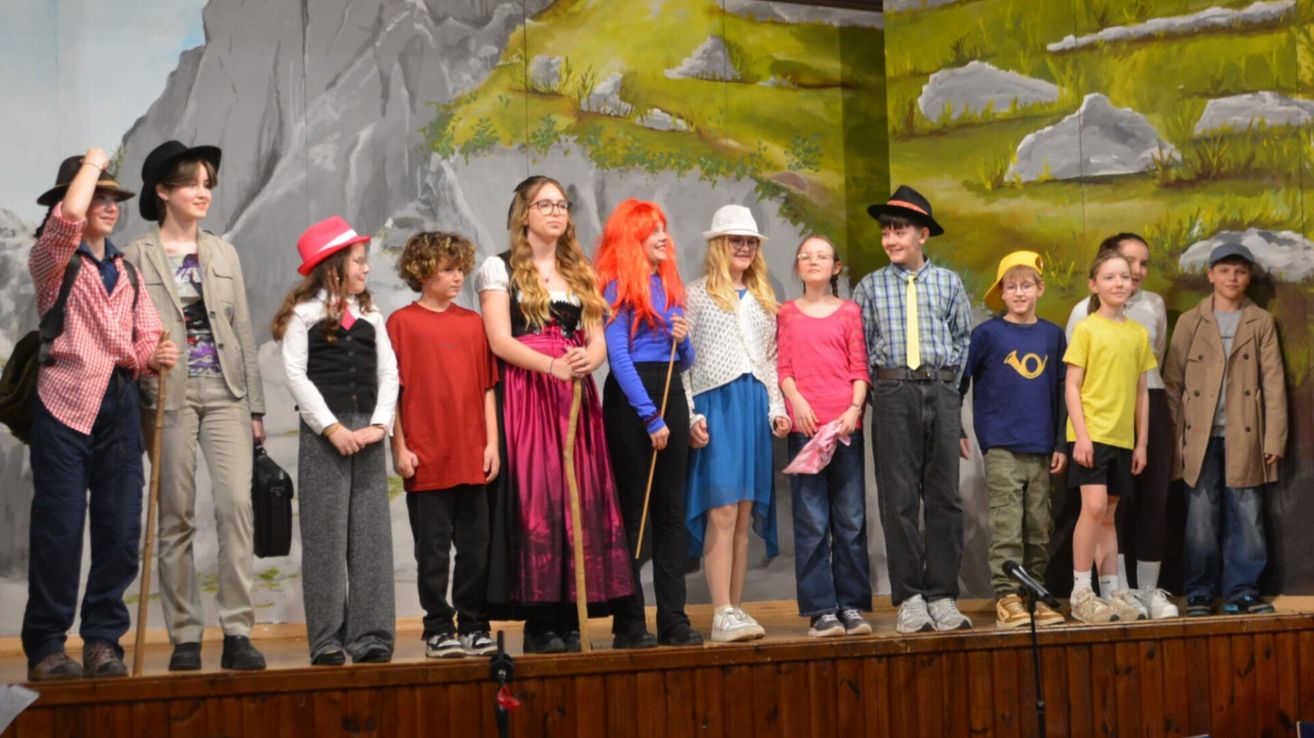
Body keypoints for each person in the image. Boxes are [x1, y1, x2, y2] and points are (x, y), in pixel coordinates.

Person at [22, 149, 177, 681]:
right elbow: (67, 222)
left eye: (114, 198)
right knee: (59, 530)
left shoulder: (127, 272)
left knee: (118, 530)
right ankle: (46, 645)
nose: (109, 205)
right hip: (64, 401)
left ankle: (102, 641)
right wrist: (91, 164)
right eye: (99, 197)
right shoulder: (53, 261)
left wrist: (154, 355)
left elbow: (147, 339)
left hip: (119, 407)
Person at [123, 141, 267, 671]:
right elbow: (126, 331)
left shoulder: (223, 251)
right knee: (175, 517)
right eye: (191, 183)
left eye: (208, 183)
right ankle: (185, 635)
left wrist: (256, 408)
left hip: (226, 392)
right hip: (167, 397)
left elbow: (244, 332)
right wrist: (145, 357)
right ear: (163, 192)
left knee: (235, 508)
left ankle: (237, 631)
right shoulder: (136, 255)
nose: (203, 192)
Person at [475, 176, 633, 654]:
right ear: (524, 212)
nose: (555, 213)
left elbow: (596, 334)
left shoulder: (578, 270)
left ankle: (569, 611)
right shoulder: (498, 268)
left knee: (576, 497)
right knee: (538, 496)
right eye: (545, 204)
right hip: (528, 396)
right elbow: (499, 340)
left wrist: (594, 356)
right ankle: (539, 620)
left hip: (575, 399)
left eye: (561, 205)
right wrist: (551, 365)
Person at [272, 215, 398, 665]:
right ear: (334, 268)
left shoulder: (370, 316)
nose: (366, 270)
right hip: (326, 436)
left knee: (370, 537)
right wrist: (331, 428)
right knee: (325, 537)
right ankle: (326, 637)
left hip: (366, 431)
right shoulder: (303, 317)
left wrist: (379, 425)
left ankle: (372, 634)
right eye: (359, 262)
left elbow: (388, 373)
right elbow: (295, 376)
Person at [852, 186, 972, 633]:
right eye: (885, 231)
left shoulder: (948, 283)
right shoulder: (870, 286)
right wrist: (877, 394)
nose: (890, 239)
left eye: (899, 230)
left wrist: (950, 390)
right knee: (898, 497)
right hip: (893, 391)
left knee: (944, 496)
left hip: (939, 390)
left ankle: (942, 594)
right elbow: (860, 348)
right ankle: (911, 597)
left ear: (923, 234)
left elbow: (963, 339)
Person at [595, 199, 703, 648]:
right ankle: (630, 621)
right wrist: (649, 416)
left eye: (664, 228)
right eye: (652, 230)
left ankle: (674, 618)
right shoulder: (616, 287)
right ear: (631, 238)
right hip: (634, 400)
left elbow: (686, 361)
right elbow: (618, 356)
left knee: (670, 513)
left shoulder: (669, 285)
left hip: (670, 392)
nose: (663, 236)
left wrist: (685, 339)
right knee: (632, 513)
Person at [387, 231, 499, 658]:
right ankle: (437, 627)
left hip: (471, 453)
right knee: (431, 551)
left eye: (460, 270)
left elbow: (488, 387)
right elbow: (392, 393)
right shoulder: (401, 323)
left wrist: (493, 444)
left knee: (476, 548)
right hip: (427, 458)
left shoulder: (473, 324)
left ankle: (474, 623)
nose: (457, 278)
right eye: (448, 269)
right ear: (422, 271)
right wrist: (399, 448)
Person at [684, 205, 789, 642]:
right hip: (717, 404)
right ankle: (721, 608)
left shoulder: (765, 299)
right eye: (735, 240)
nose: (744, 248)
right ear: (718, 245)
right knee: (722, 509)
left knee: (745, 512)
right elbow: (683, 362)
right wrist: (690, 413)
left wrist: (776, 406)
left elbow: (770, 359)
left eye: (749, 242)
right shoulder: (696, 295)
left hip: (752, 405)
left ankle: (737, 607)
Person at [1163, 243, 1286, 617]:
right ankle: (1199, 591)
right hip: (1198, 437)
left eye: (1240, 271)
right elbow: (1172, 384)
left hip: (1245, 434)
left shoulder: (1260, 321)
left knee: (1247, 516)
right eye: (1225, 270)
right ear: (1210, 274)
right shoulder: (1190, 321)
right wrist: (1173, 442)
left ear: (1248, 277)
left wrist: (1274, 438)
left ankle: (1243, 590)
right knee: (1200, 516)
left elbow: (1274, 383)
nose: (1232, 278)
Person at [1065, 233, 1177, 619]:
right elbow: (1072, 385)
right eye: (1110, 277)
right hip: (1090, 434)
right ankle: (1081, 592)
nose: (1120, 283)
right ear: (1094, 284)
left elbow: (1142, 391)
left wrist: (1142, 443)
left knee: (1110, 513)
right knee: (1093, 507)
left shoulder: (1136, 332)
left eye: (1125, 277)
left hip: (1123, 437)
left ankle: (1114, 592)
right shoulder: (1086, 327)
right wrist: (1080, 435)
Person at [961, 251, 1067, 628]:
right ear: (1001, 293)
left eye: (1027, 285)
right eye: (1011, 286)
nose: (1019, 293)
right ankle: (1007, 596)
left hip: (1041, 447)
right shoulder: (987, 335)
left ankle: (1034, 594)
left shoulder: (1053, 336)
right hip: (1002, 445)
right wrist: (959, 429)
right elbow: (960, 382)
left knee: (1038, 526)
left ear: (1039, 288)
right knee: (1007, 522)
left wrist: (1059, 444)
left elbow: (1062, 393)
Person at [776, 235, 873, 638]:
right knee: (812, 521)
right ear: (797, 267)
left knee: (850, 520)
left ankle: (851, 604)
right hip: (807, 430)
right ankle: (821, 609)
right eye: (806, 256)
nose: (813, 262)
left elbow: (860, 368)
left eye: (822, 256)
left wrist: (854, 410)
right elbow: (783, 366)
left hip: (845, 429)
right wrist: (795, 400)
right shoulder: (787, 314)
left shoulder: (849, 312)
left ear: (836, 267)